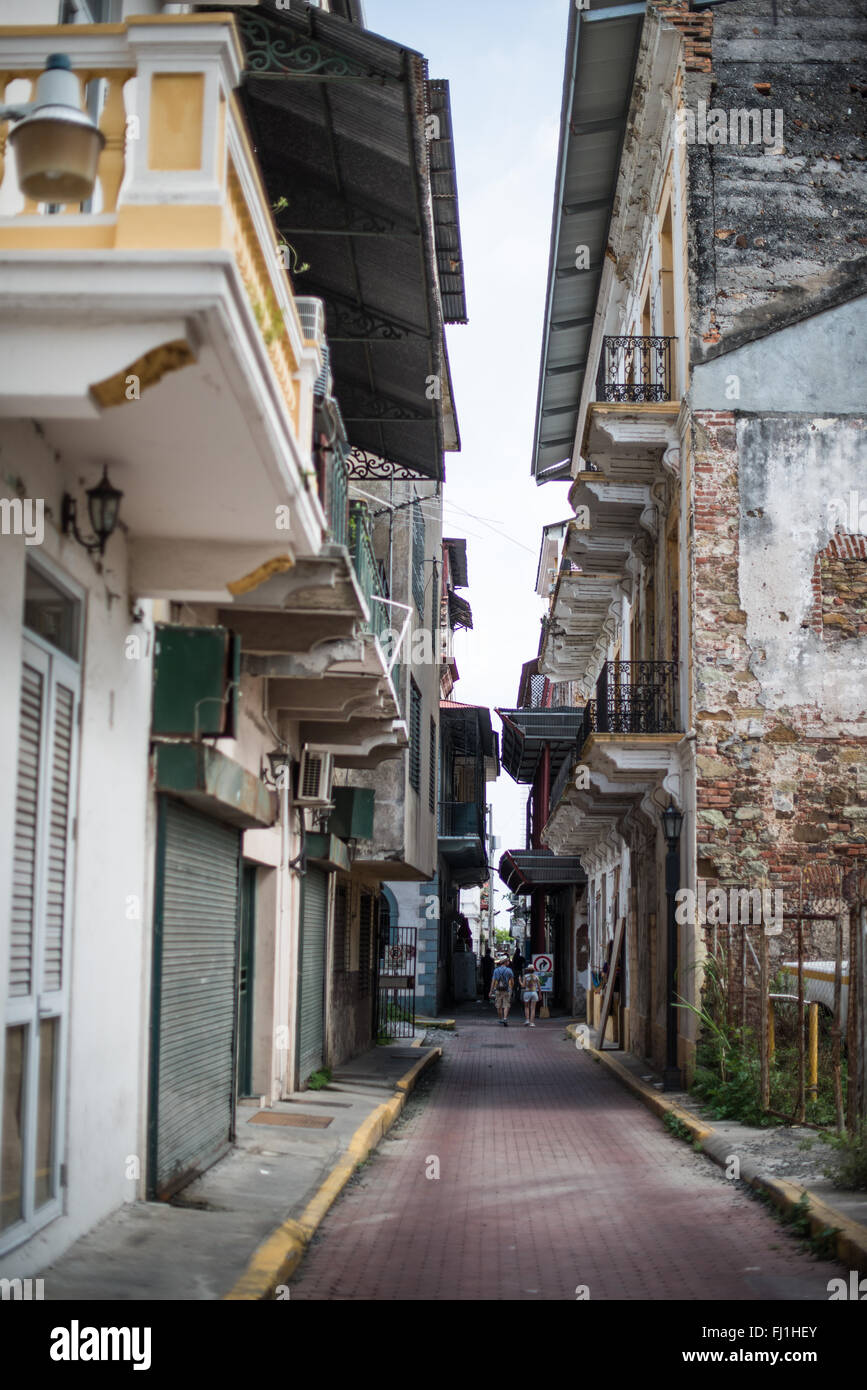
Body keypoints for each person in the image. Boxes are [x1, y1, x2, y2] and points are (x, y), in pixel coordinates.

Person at [489, 954, 514, 1026]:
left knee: (498, 1005)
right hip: (507, 990)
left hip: (498, 990)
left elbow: (493, 982)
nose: (509, 962)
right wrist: (511, 988)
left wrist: (491, 991)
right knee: (506, 1005)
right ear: (505, 962)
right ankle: (505, 1018)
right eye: (508, 961)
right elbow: (512, 982)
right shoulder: (509, 970)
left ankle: (500, 1018)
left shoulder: (496, 970)